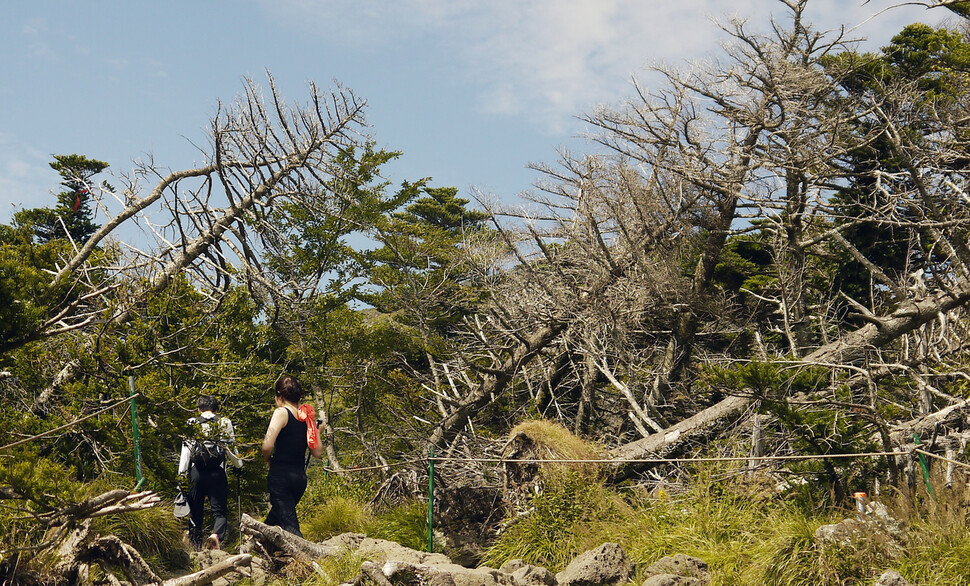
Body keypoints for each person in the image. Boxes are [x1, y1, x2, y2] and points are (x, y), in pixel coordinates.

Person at [178, 394, 242, 549]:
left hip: (196, 473)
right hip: (217, 473)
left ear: (199, 409)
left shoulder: (192, 422)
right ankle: (216, 536)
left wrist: (181, 477)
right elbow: (231, 449)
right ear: (216, 408)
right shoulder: (224, 422)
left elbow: (186, 453)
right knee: (219, 512)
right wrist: (239, 466)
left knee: (195, 511)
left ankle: (195, 545)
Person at [261, 375, 323, 537]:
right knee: (276, 518)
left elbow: (267, 445)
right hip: (299, 480)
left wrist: (268, 460)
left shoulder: (281, 412)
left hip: (281, 477)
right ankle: (255, 545)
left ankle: (305, 560)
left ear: (279, 396)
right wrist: (317, 431)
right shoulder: (306, 419)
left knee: (291, 528)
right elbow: (317, 453)